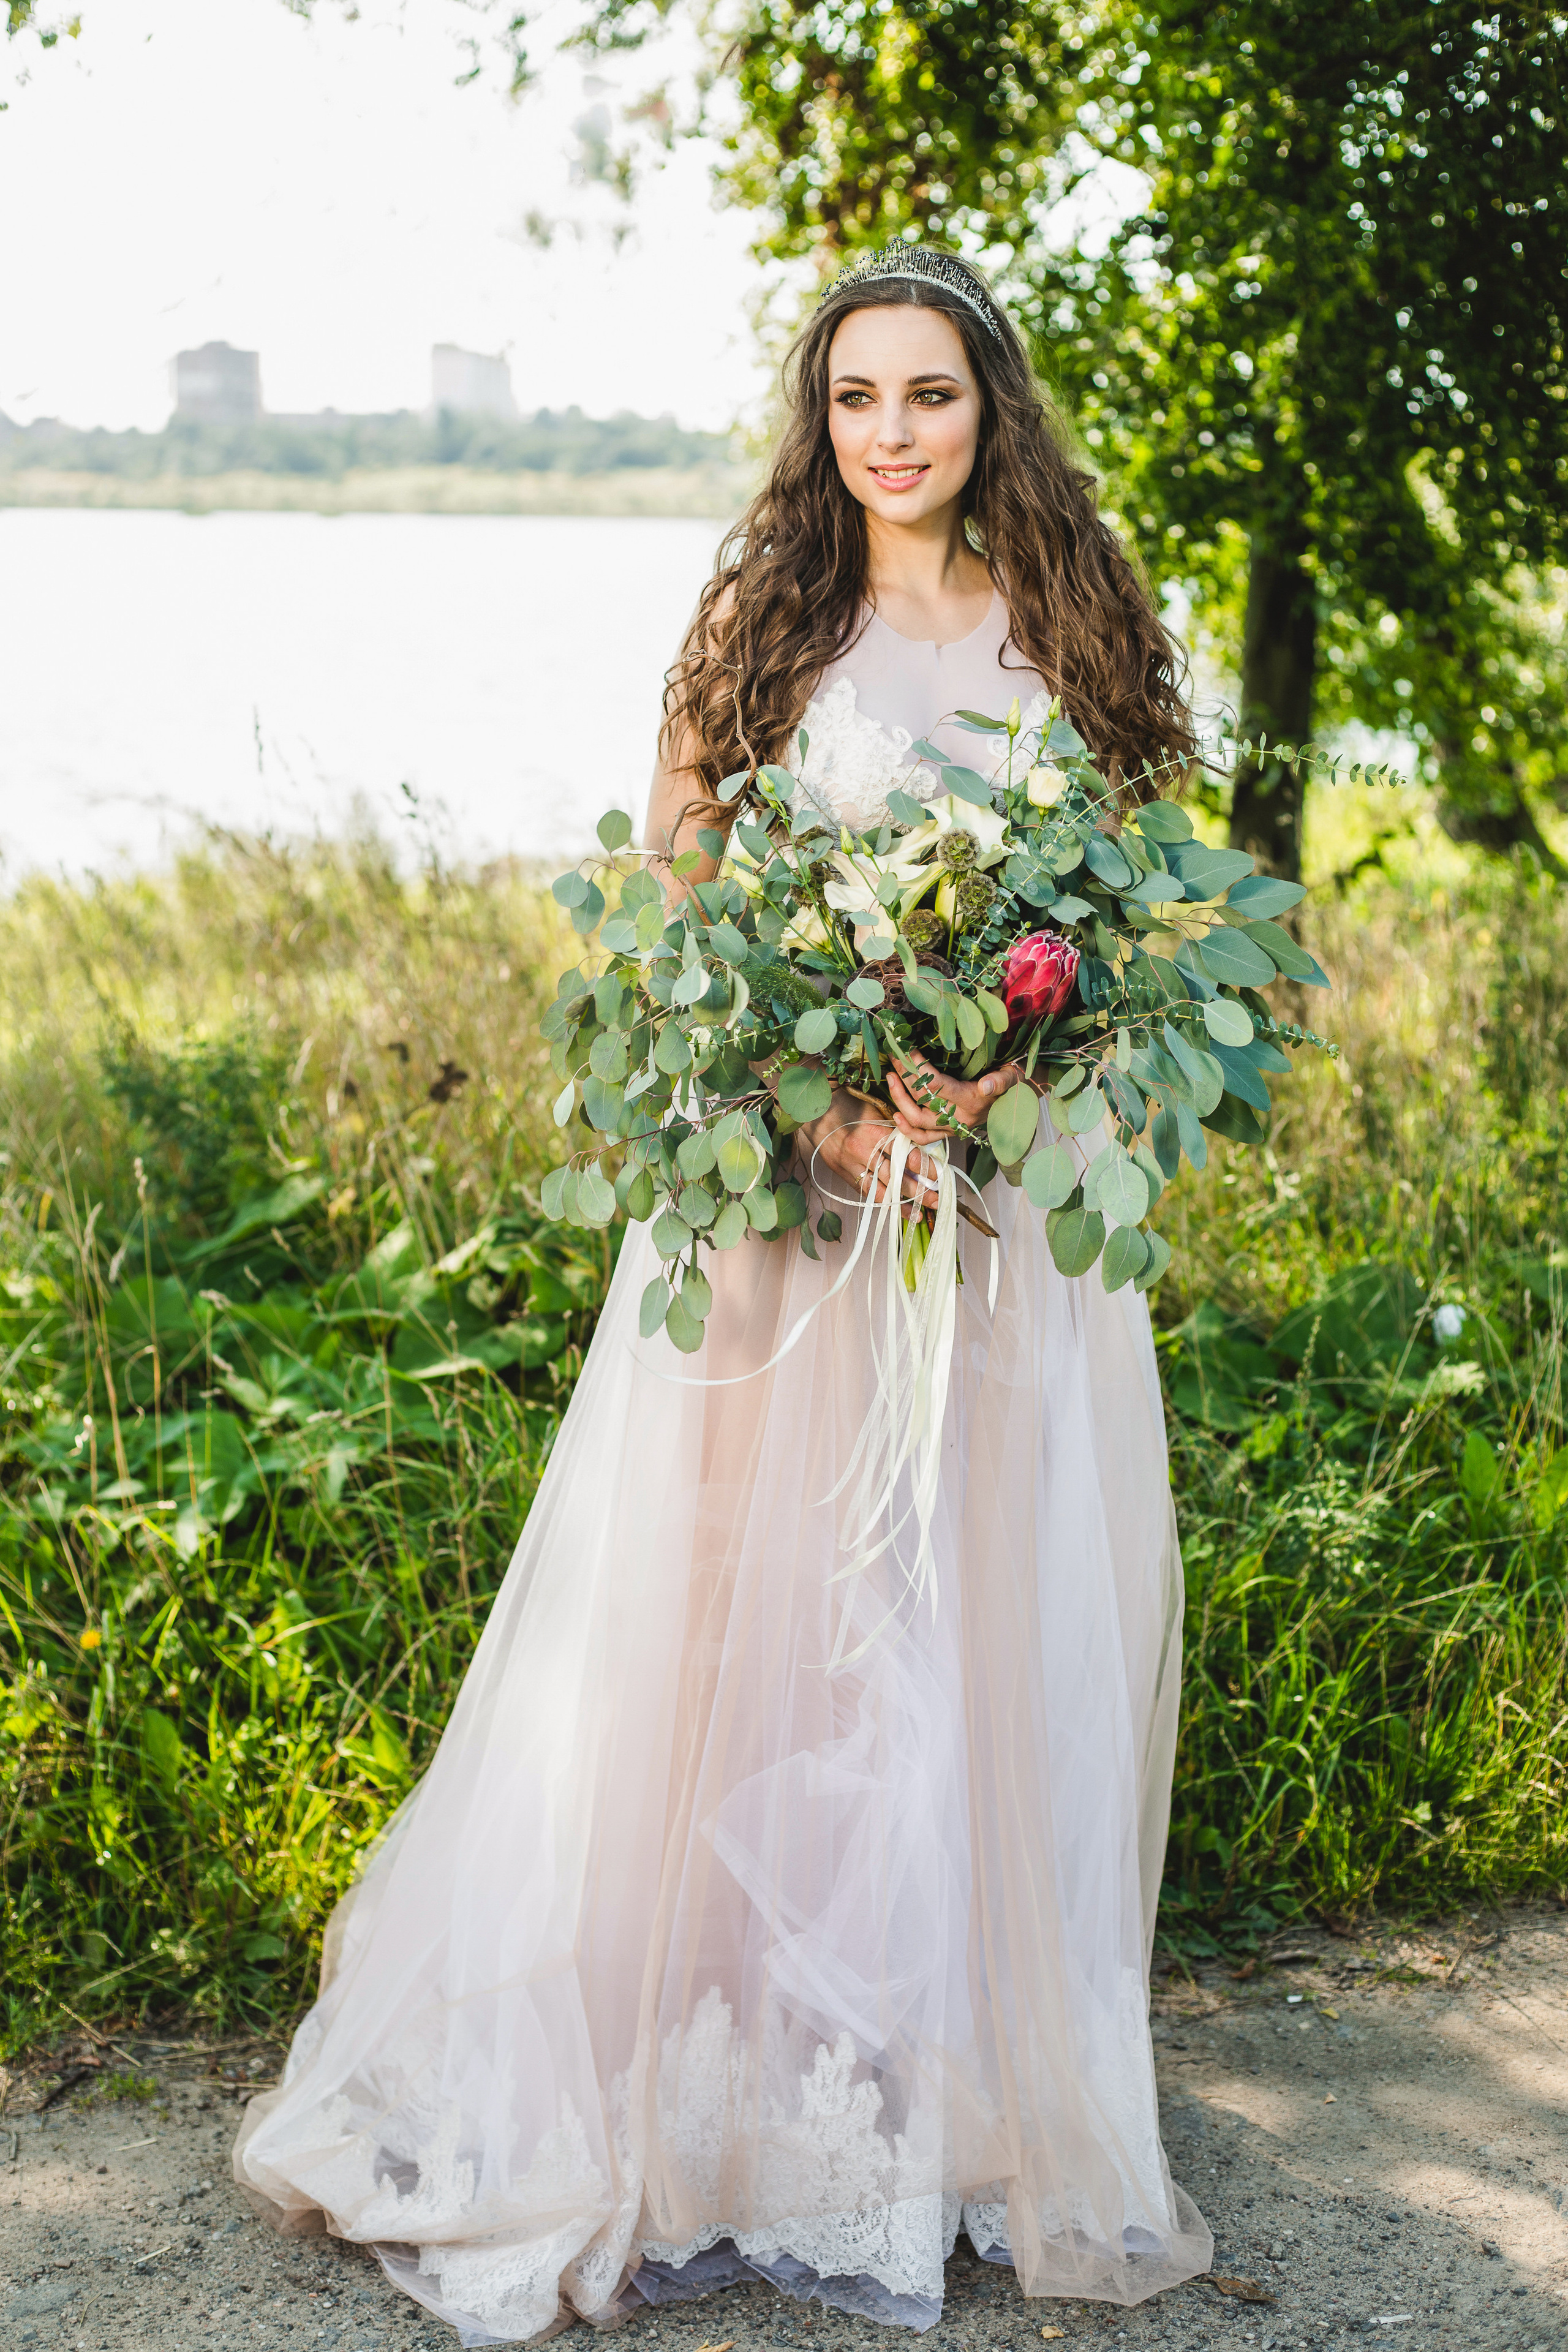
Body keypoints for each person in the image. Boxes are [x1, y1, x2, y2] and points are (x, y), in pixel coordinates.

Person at [235, 244, 1213, 2346]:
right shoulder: (765, 638)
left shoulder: (1078, 637)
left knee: (975, 1617)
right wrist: (827, 1104)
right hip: (797, 1205)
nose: (894, 435)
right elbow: (684, 921)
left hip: (1009, 1216)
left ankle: (934, 2094)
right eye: (858, 398)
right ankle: (734, 2085)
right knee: (762, 1632)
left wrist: (1014, 1059)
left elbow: (1124, 921)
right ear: (819, 419)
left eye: (932, 396)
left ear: (993, 411)